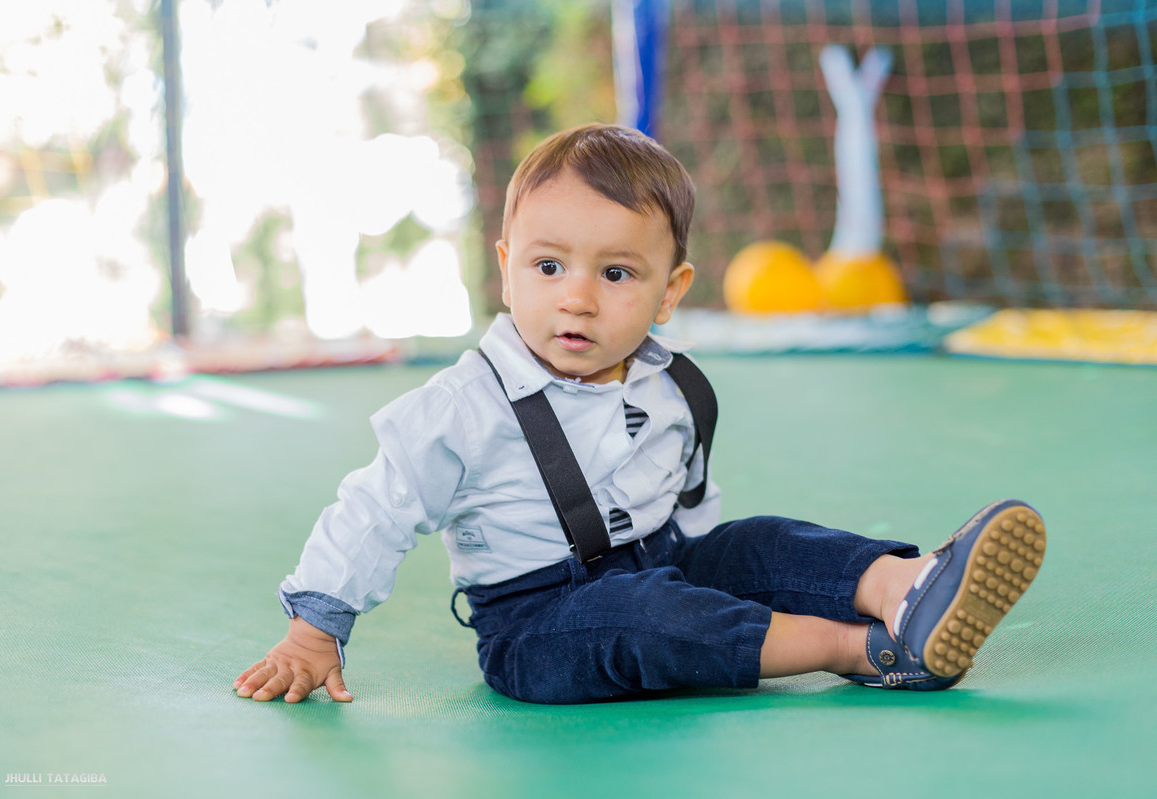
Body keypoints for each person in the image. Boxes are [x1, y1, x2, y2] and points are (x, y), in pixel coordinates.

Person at [233, 123, 1045, 705]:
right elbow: (379, 504)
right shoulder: (463, 407)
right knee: (654, 617)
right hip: (536, 623)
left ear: (670, 292)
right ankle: (866, 651)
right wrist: (317, 625)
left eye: (617, 273)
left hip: (662, 554)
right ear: (509, 269)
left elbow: (689, 492)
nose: (577, 296)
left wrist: (720, 558)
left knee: (759, 541)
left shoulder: (675, 383)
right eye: (549, 266)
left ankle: (908, 583)